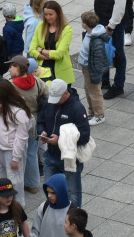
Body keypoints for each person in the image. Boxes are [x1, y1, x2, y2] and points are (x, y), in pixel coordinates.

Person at [38, 80, 89, 209]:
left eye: (57, 99)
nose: (54, 102)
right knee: (49, 190)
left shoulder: (77, 108)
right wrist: (42, 132)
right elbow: (41, 121)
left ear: (66, 93)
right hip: (50, 156)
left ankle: (74, 218)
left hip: (69, 159)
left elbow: (84, 136)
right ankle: (55, 213)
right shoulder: (49, 103)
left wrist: (59, 141)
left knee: (73, 193)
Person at [4, 55, 47, 194]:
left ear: (19, 68)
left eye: (12, 66)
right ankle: (33, 184)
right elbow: (48, 96)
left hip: (17, 125)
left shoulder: (10, 86)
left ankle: (14, 182)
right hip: (34, 123)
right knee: (31, 154)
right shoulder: (37, 81)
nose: (10, 69)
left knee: (14, 154)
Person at [0, 80, 31, 205]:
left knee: (15, 181)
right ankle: (0, 198)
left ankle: (17, 205)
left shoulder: (19, 113)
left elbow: (21, 138)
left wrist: (15, 158)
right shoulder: (0, 106)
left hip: (11, 151)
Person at [94, 0, 129, 99]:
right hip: (103, 21)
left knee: (118, 53)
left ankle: (118, 85)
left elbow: (120, 6)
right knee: (104, 51)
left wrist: (112, 25)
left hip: (113, 24)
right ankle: (105, 80)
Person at [28, 1, 74, 83]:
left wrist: (42, 50)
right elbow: (31, 50)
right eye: (45, 14)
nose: (48, 17)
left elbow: (59, 54)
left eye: (50, 14)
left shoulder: (67, 29)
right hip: (43, 71)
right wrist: (46, 57)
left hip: (60, 73)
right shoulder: (40, 25)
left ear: (58, 14)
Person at [77, 11, 108, 126]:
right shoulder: (90, 34)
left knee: (95, 92)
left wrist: (95, 72)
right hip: (87, 68)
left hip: (91, 69)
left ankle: (99, 115)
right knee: (88, 90)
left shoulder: (96, 40)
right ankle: (92, 112)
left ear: (85, 24)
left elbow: (98, 59)